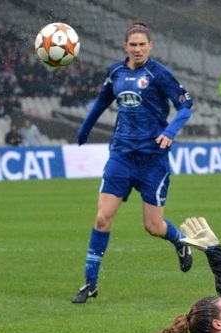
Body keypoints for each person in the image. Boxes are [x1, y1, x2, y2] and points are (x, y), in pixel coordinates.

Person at [71, 21, 194, 303]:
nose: (138, 49)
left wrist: (169, 132)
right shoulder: (115, 72)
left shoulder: (160, 74)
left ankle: (179, 241)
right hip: (122, 155)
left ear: (150, 46)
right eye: (133, 45)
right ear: (125, 47)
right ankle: (90, 283)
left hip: (153, 159)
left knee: (153, 226)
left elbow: (186, 105)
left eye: (142, 45)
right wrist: (85, 129)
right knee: (102, 218)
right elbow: (102, 102)